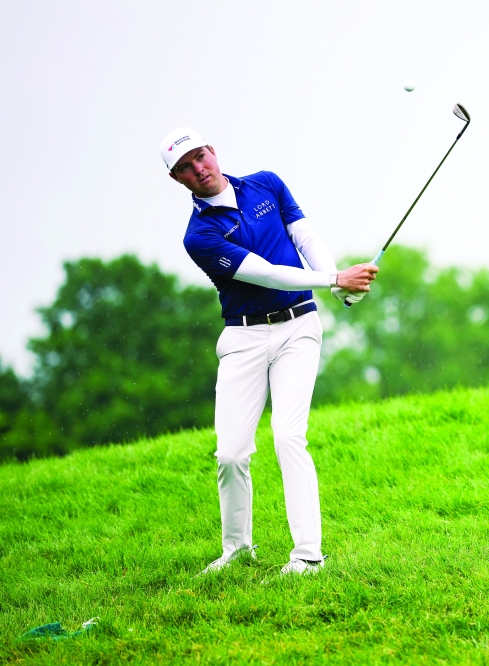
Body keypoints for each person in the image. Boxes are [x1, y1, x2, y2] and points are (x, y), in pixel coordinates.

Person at [159, 127, 377, 575]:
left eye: (200, 156)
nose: (197, 169)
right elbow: (266, 274)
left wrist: (336, 279)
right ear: (177, 179)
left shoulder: (266, 183)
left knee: (287, 435)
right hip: (243, 339)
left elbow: (305, 237)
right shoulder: (199, 235)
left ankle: (308, 555)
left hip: (298, 328)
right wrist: (336, 281)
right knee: (232, 453)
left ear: (213, 151)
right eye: (184, 167)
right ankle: (237, 550)